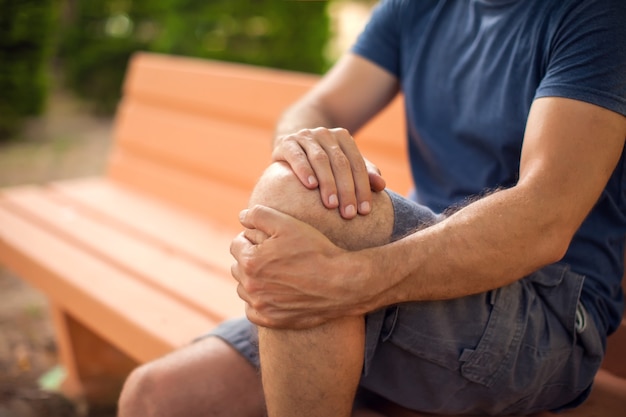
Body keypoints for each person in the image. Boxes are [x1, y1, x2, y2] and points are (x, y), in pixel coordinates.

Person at [117, 0, 626, 415]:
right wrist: (308, 146)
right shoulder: (416, 9)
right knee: (155, 399)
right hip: (418, 283)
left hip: (548, 309)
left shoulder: (597, 17)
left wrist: (347, 282)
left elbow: (545, 219)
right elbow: (317, 108)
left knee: (304, 199)